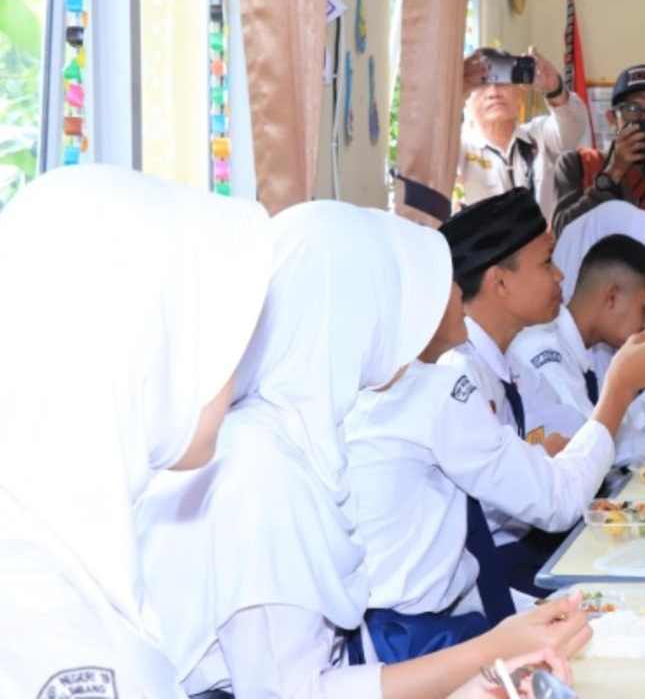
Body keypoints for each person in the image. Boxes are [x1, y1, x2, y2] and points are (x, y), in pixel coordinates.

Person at [137, 201, 585, 698]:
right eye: (394, 301)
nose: (411, 325)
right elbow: (289, 693)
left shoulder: (298, 443)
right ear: (352, 316)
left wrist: (490, 659)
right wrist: (486, 653)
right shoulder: (261, 466)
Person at [0, 165, 271, 698]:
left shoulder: (66, 537)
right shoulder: (53, 626)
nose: (233, 375)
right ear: (148, 350)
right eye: (215, 340)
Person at [343, 234, 645, 663]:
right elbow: (556, 501)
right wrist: (619, 389)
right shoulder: (438, 387)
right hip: (417, 640)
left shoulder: (382, 389)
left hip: (440, 615)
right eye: (447, 282)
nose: (461, 293)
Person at [437, 188, 621, 603]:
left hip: (521, 550)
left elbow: (574, 437)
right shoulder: (457, 373)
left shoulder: (508, 362)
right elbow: (555, 500)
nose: (560, 277)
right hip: (484, 576)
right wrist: (620, 390)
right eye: (546, 263)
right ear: (499, 281)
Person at [510, 235, 645, 466]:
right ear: (612, 297)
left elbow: (615, 429)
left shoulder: (579, 348)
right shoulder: (546, 353)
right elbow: (595, 446)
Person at [551, 64, 645, 274]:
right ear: (612, 119)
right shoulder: (578, 164)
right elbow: (562, 236)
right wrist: (613, 172)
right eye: (632, 109)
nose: (643, 119)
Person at [457, 47, 590, 222]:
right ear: (467, 98)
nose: (493, 92)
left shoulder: (539, 135)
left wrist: (555, 88)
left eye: (502, 80)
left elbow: (574, 126)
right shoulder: (460, 147)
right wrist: (457, 89)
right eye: (482, 83)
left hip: (546, 246)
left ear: (519, 92)